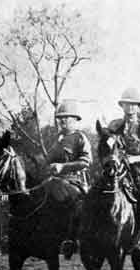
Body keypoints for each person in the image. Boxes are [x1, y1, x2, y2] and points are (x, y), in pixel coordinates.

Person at [107, 88, 140, 251]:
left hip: (138, 172)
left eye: (133, 105)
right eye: (126, 104)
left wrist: (134, 159)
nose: (130, 108)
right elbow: (106, 144)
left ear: (138, 107)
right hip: (117, 169)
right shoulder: (114, 125)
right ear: (122, 106)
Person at [47, 100, 92, 258]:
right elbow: (48, 160)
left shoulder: (80, 138)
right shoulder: (57, 139)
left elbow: (86, 162)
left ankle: (70, 240)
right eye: (60, 118)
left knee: (73, 204)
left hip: (75, 181)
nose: (62, 121)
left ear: (75, 120)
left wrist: (62, 167)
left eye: (66, 118)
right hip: (54, 181)